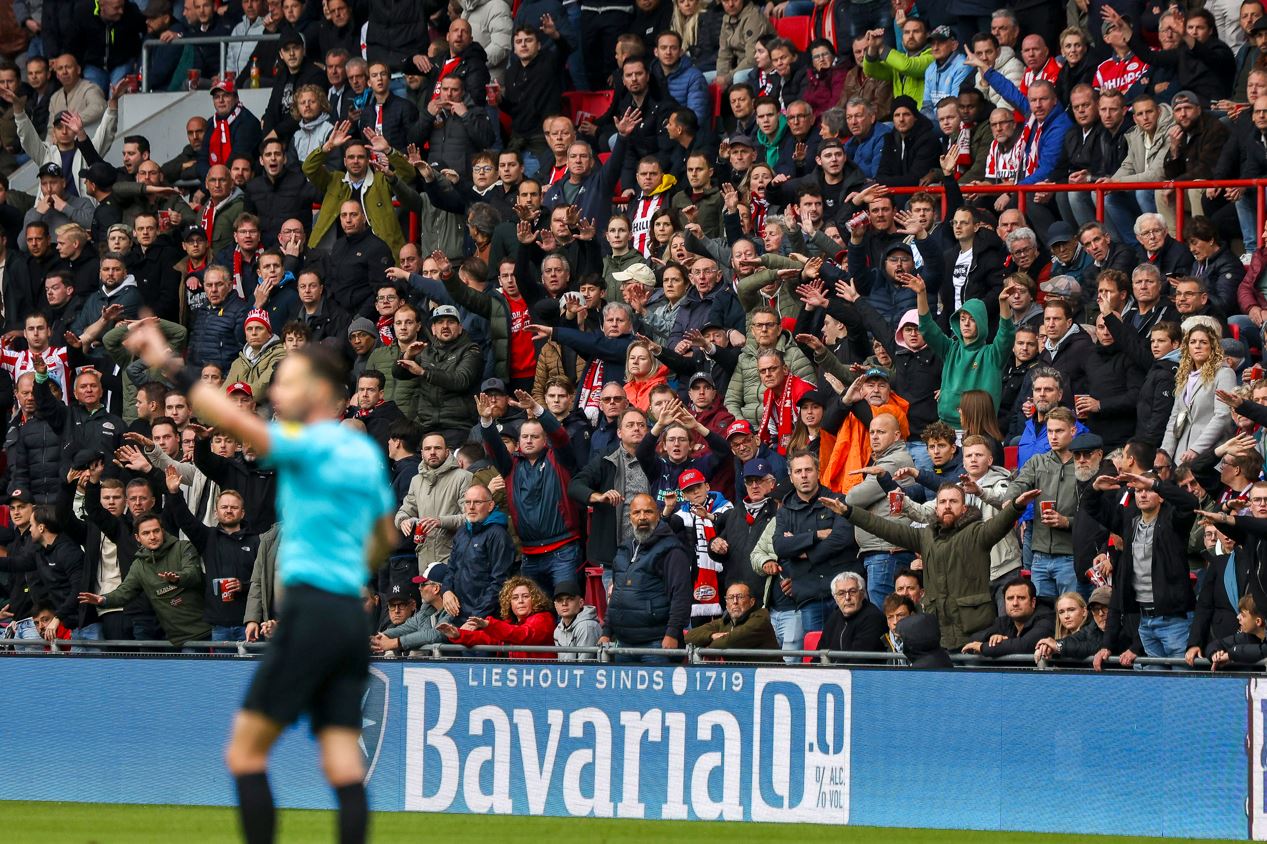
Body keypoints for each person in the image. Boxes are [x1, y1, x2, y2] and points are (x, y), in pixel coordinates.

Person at [116, 320, 397, 844]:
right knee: (341, 761)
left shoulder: (310, 442)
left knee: (245, 752)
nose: (276, 392)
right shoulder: (362, 454)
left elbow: (227, 417)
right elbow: (383, 535)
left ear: (318, 392)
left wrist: (166, 359)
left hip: (311, 611)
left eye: (287, 381)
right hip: (348, 618)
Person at [824, 483, 1042, 649]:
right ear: (936, 508)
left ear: (964, 508)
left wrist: (1016, 506)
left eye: (953, 501)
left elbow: (1000, 523)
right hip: (939, 633)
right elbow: (883, 527)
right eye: (943, 502)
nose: (947, 506)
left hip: (976, 632)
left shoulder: (977, 533)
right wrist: (849, 512)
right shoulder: (925, 536)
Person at [1090, 471, 1200, 671]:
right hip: (1144, 621)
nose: (1142, 495)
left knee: (1182, 688)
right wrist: (1094, 489)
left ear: (1160, 494)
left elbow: (1190, 503)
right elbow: (1093, 509)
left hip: (1174, 620)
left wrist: (1155, 483)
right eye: (1138, 491)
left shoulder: (1173, 521)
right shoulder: (1128, 521)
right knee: (1155, 689)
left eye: (1148, 490)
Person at [77, 512, 211, 649]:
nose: (152, 537)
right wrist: (103, 600)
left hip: (208, 630)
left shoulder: (183, 547)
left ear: (163, 531)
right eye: (146, 533)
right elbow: (124, 592)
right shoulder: (139, 565)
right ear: (138, 538)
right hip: (177, 638)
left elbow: (193, 573)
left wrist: (178, 578)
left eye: (156, 531)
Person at [600, 492, 693, 662]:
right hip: (623, 645)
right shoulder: (623, 550)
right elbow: (616, 595)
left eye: (648, 512)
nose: (642, 517)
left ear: (658, 515)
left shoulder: (672, 550)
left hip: (657, 645)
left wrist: (672, 633)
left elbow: (681, 595)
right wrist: (607, 632)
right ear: (630, 518)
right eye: (637, 512)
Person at [437, 575, 556, 659]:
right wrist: (458, 634)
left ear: (535, 599)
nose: (520, 601)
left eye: (525, 596)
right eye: (515, 598)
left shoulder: (544, 618)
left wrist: (489, 624)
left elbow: (523, 634)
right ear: (509, 603)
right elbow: (486, 638)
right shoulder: (510, 623)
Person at [369, 563, 455, 655]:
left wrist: (395, 642)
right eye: (392, 606)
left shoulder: (454, 607)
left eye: (423, 584)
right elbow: (406, 627)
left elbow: (435, 634)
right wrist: (380, 637)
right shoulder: (426, 609)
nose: (419, 588)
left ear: (436, 588)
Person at [960, 577, 1055, 657]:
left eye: (1021, 598)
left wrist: (983, 647)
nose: (1015, 603)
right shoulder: (1005, 621)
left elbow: (1025, 645)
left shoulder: (1046, 618)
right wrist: (992, 637)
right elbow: (972, 641)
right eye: (1010, 598)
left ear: (1033, 602)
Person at [685, 581, 780, 657]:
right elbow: (689, 637)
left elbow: (728, 642)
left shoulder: (760, 619)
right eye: (730, 598)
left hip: (767, 676)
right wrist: (712, 636)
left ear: (752, 602)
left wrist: (707, 647)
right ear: (726, 604)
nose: (735, 602)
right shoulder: (724, 621)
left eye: (740, 597)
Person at [820, 570, 886, 654]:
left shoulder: (874, 618)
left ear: (862, 594)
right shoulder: (834, 617)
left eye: (852, 591)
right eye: (841, 593)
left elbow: (857, 660)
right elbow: (819, 654)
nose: (847, 597)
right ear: (835, 598)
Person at [552, 579, 601, 660]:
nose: (564, 604)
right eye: (560, 600)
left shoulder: (586, 626)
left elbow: (584, 667)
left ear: (581, 603)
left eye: (570, 599)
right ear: (555, 605)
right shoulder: (557, 630)